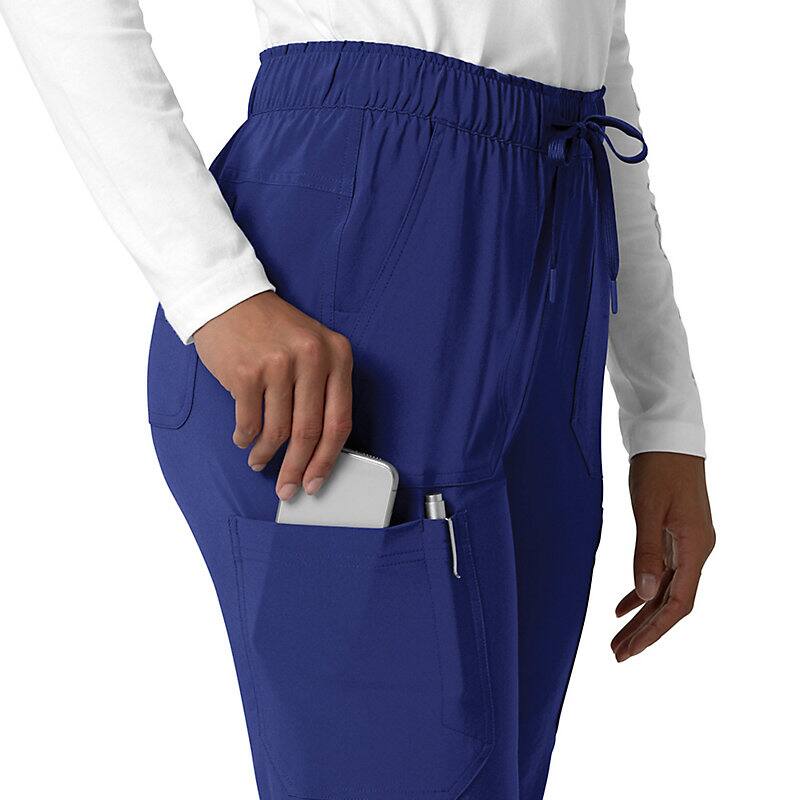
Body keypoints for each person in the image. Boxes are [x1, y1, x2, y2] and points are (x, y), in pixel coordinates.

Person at [1, 1, 716, 798]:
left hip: (558, 268)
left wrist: (664, 413)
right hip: (359, 277)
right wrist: (213, 289)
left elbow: (596, 54)